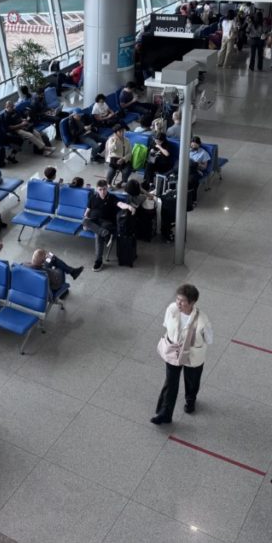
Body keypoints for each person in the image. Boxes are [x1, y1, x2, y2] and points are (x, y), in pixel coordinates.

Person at [150, 284, 212, 425]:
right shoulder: (172, 309)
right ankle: (164, 414)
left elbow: (209, 339)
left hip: (193, 355)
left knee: (192, 381)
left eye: (182, 300)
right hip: (173, 352)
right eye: (177, 299)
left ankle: (190, 401)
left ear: (192, 302)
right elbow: (167, 325)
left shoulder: (202, 320)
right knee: (170, 383)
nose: (178, 303)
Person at [82, 179, 137, 272]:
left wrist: (128, 206)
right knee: (84, 221)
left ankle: (98, 261)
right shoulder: (93, 197)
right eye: (100, 189)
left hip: (107, 223)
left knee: (98, 235)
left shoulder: (112, 198)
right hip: (95, 221)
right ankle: (105, 234)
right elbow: (87, 212)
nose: (102, 192)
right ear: (97, 189)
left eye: (104, 189)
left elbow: (120, 204)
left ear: (107, 188)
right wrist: (86, 221)